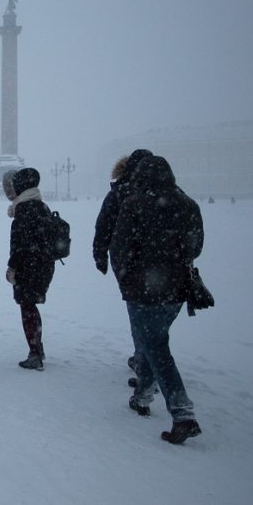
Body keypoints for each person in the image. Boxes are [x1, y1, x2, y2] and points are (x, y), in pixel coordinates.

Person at [110, 155, 204, 444]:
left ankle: (182, 413)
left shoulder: (135, 204)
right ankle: (142, 397)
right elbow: (195, 247)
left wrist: (127, 278)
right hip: (176, 289)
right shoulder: (188, 204)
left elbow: (120, 248)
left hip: (143, 290)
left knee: (155, 347)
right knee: (155, 341)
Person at [92, 148, 153, 372]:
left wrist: (100, 254)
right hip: (167, 266)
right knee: (155, 316)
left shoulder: (120, 192)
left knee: (138, 312)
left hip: (130, 264)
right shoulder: (168, 192)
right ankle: (151, 355)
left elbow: (104, 225)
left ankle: (145, 358)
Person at [5, 168, 56, 371]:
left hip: (29, 265)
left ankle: (35, 352)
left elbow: (20, 243)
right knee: (30, 305)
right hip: (43, 264)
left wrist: (13, 266)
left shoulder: (24, 209)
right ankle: (37, 348)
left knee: (27, 307)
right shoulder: (41, 206)